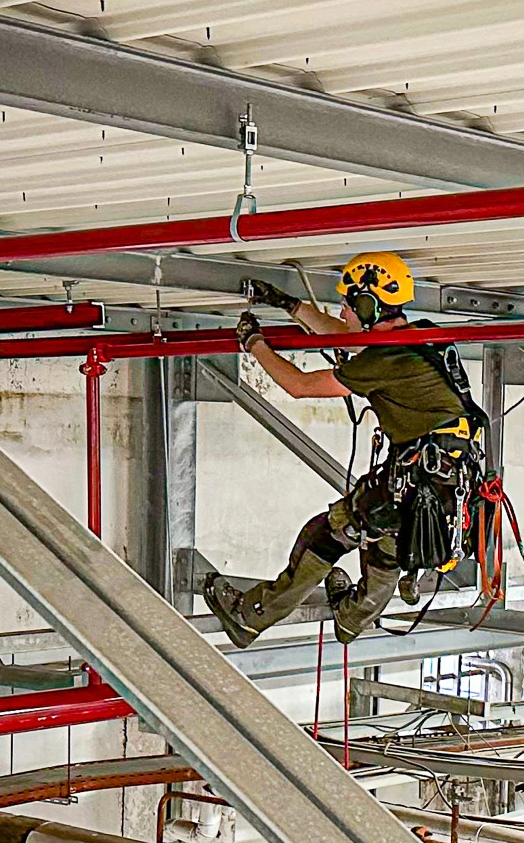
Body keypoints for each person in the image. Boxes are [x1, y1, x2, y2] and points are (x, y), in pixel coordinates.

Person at [202, 252, 484, 647]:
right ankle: (352, 619)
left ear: (369, 306)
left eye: (349, 304)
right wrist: (289, 305)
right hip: (441, 483)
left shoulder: (388, 359)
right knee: (388, 549)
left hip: (417, 478)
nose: (343, 310)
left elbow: (300, 385)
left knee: (325, 535)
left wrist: (254, 344)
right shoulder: (422, 336)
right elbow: (348, 338)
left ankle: (252, 616)